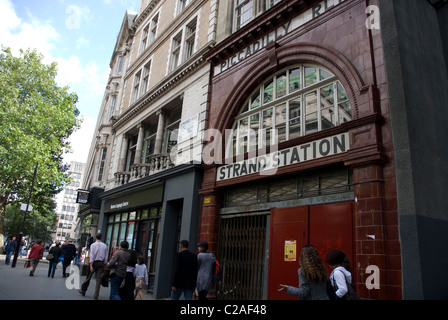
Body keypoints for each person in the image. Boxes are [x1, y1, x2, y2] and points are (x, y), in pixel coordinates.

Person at [79, 233, 108, 299]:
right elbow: (106, 256)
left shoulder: (93, 245)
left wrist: (91, 265)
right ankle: (96, 295)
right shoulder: (104, 246)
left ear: (95, 238)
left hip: (94, 262)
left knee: (88, 277)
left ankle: (83, 290)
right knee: (98, 280)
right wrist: (105, 265)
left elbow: (92, 255)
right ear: (101, 237)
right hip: (101, 263)